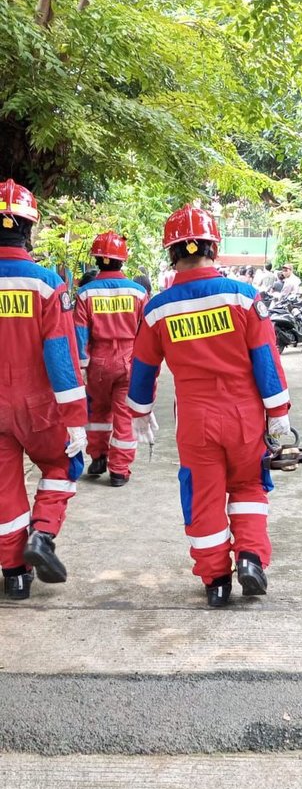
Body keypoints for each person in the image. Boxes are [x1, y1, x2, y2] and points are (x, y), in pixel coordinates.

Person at [127, 203, 291, 607]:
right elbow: (267, 362)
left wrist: (140, 412)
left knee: (203, 496)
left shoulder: (157, 309)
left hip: (196, 420)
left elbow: (143, 370)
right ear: (212, 246)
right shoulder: (244, 296)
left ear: (172, 253)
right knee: (249, 485)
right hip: (245, 415)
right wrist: (279, 416)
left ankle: (216, 580)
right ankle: (251, 558)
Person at [0, 179, 87, 600]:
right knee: (64, 465)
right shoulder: (46, 283)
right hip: (38, 407)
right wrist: (75, 421)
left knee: (4, 490)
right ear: (29, 229)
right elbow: (60, 357)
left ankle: (15, 575)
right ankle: (43, 535)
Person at [73, 231, 147, 487]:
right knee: (123, 416)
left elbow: (80, 334)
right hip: (129, 360)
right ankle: (119, 470)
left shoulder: (85, 294)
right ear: (122, 260)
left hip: (98, 362)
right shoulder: (138, 293)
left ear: (96, 260)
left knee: (97, 411)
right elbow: (145, 332)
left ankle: (98, 457)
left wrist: (82, 366)